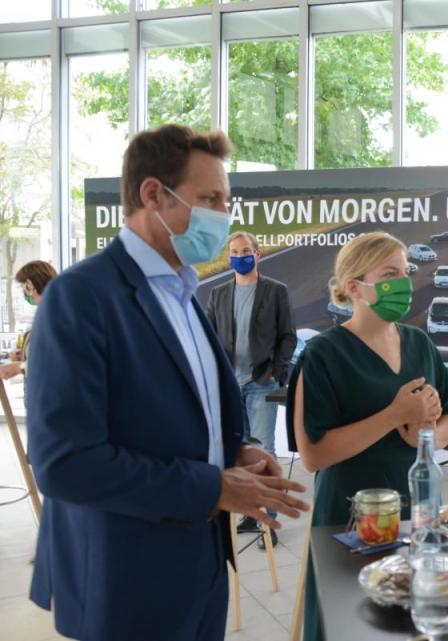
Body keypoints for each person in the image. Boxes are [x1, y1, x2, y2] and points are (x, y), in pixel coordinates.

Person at [26, 124, 309, 641]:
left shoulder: (183, 293)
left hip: (201, 567)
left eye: (226, 202)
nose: (222, 216)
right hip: (126, 580)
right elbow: (65, 464)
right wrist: (213, 486)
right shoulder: (83, 296)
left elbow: (176, 414)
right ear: (153, 194)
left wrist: (234, 451)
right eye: (210, 199)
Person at [288, 231, 448, 641]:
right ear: (354, 287)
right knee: (354, 622)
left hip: (417, 510)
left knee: (413, 618)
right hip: (351, 516)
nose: (404, 284)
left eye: (405, 272)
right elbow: (313, 455)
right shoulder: (323, 354)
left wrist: (428, 437)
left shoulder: (419, 342)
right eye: (389, 275)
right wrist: (393, 415)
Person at [206, 230, 296, 548]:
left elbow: (288, 336)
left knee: (264, 450)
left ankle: (267, 520)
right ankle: (249, 513)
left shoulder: (276, 291)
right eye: (234, 252)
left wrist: (275, 371)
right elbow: (209, 337)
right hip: (230, 384)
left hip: (260, 381)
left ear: (257, 254)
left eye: (245, 251)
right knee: (240, 452)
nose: (240, 256)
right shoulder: (218, 293)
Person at [0, 261, 58, 381]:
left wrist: (20, 367)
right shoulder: (46, 311)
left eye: (23, 286)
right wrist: (23, 357)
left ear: (30, 285)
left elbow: (56, 360)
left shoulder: (57, 314)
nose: (24, 292)